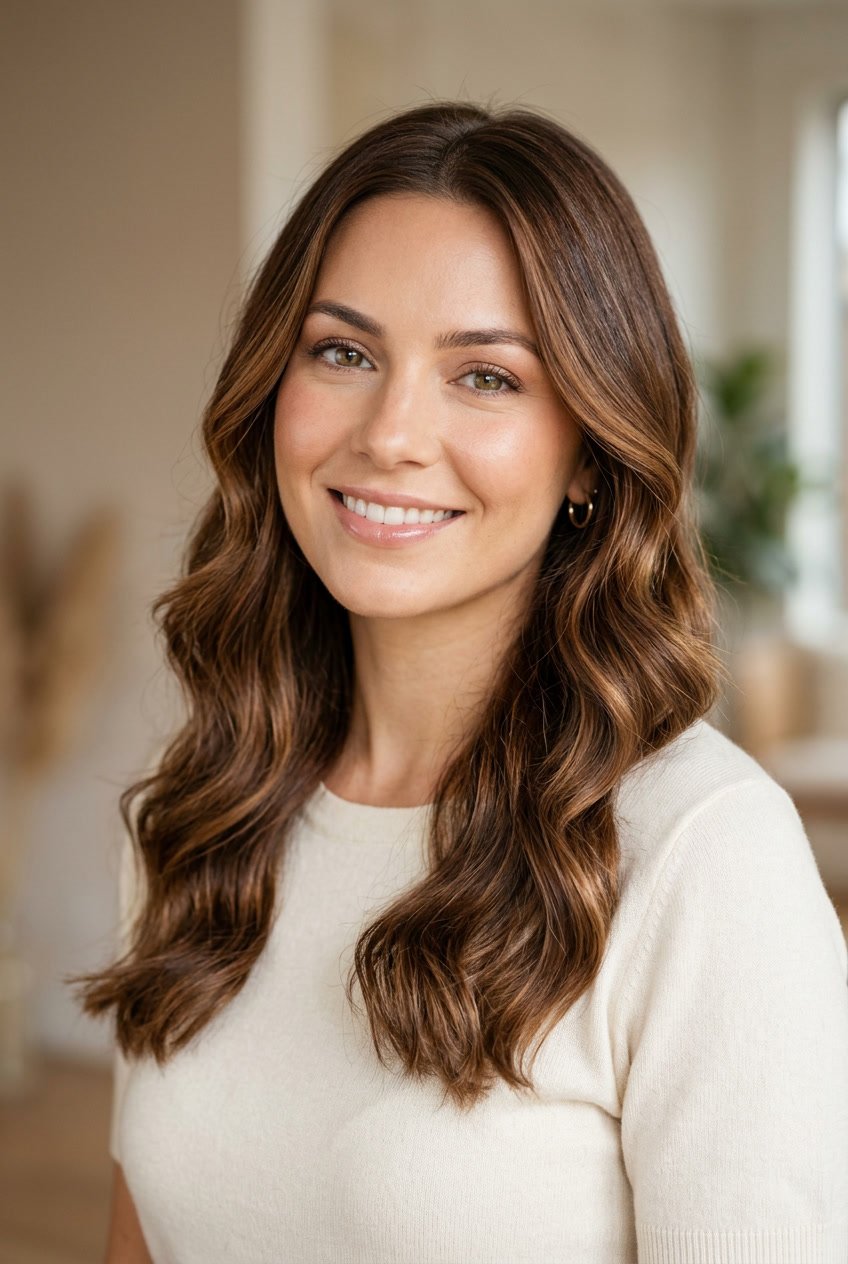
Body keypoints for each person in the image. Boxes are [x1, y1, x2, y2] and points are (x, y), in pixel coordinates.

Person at [75, 101, 848, 1263]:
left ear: (587, 448)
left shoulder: (701, 853)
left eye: (484, 376)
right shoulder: (199, 805)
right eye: (342, 353)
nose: (390, 433)